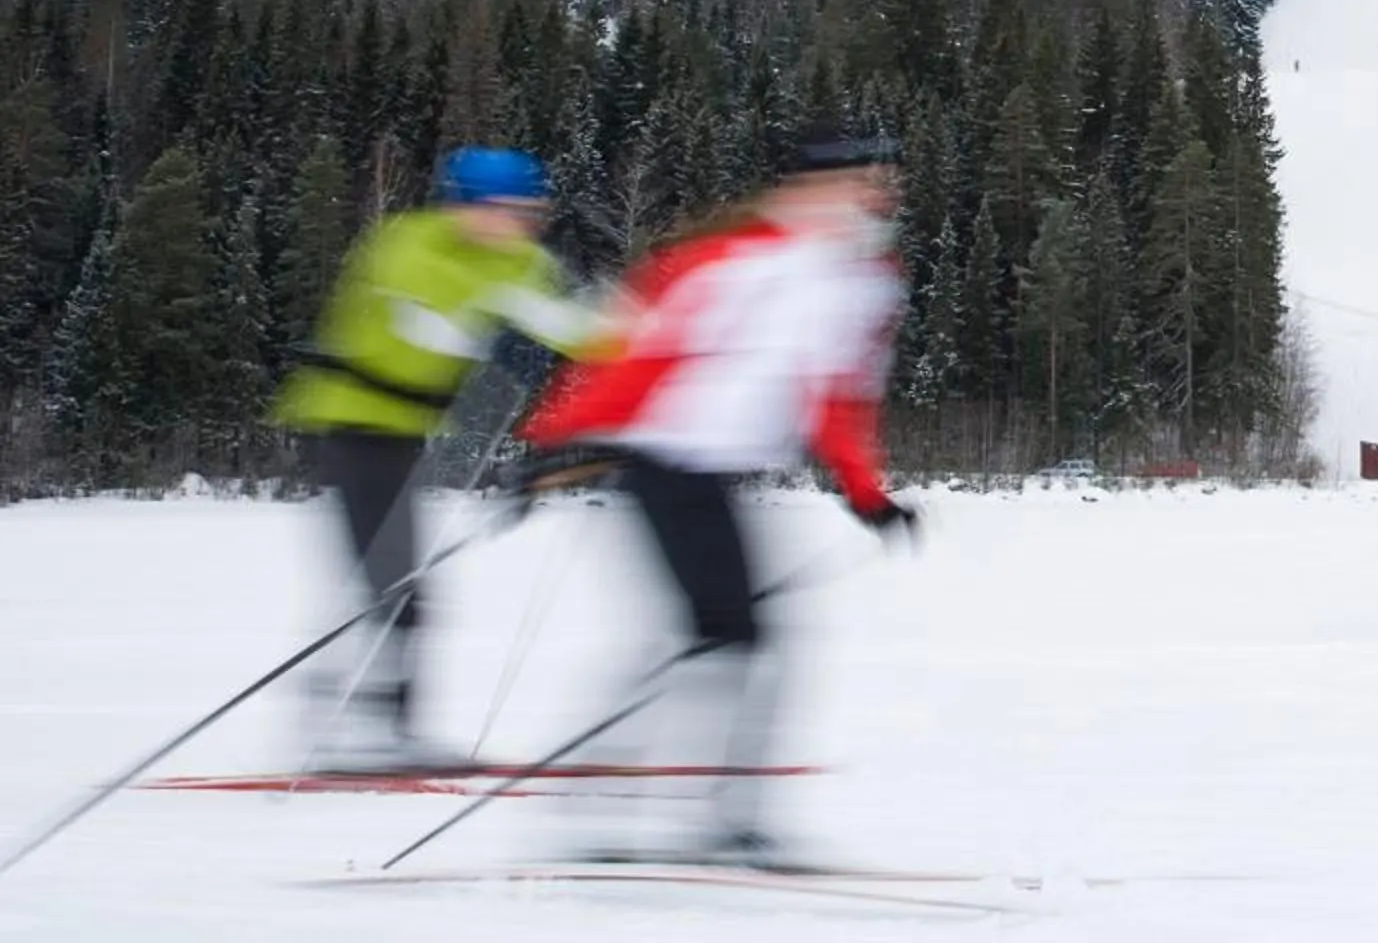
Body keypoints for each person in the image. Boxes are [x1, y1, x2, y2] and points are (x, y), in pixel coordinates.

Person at [518, 123, 917, 862]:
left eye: (881, 182)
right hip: (663, 459)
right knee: (729, 636)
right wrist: (558, 437)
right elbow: (635, 351)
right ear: (807, 186)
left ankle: (682, 811)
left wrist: (867, 493)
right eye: (859, 179)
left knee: (725, 636)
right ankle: (681, 812)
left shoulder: (860, 279)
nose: (875, 195)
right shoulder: (732, 260)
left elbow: (838, 397)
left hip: (716, 472)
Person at [275, 147, 604, 766]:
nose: (520, 224)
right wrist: (505, 327)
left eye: (531, 212)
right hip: (352, 423)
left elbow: (578, 331)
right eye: (506, 210)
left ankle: (373, 723)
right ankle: (362, 730)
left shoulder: (522, 262)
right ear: (463, 206)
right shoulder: (408, 244)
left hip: (408, 432)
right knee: (396, 582)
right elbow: (424, 326)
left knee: (401, 583)